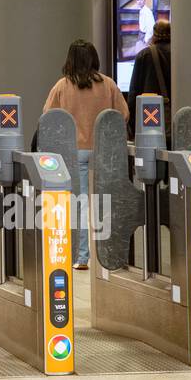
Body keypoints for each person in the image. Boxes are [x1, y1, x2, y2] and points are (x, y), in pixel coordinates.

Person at [43, 39, 128, 270]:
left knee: (80, 205)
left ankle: (82, 256)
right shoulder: (108, 85)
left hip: (75, 153)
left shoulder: (62, 86)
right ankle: (111, 254)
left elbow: (48, 117)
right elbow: (123, 114)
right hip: (103, 152)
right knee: (106, 202)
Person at [126, 18, 171, 138]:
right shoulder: (180, 54)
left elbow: (134, 93)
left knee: (150, 153)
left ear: (154, 34)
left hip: (149, 115)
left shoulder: (144, 55)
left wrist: (132, 126)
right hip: (175, 117)